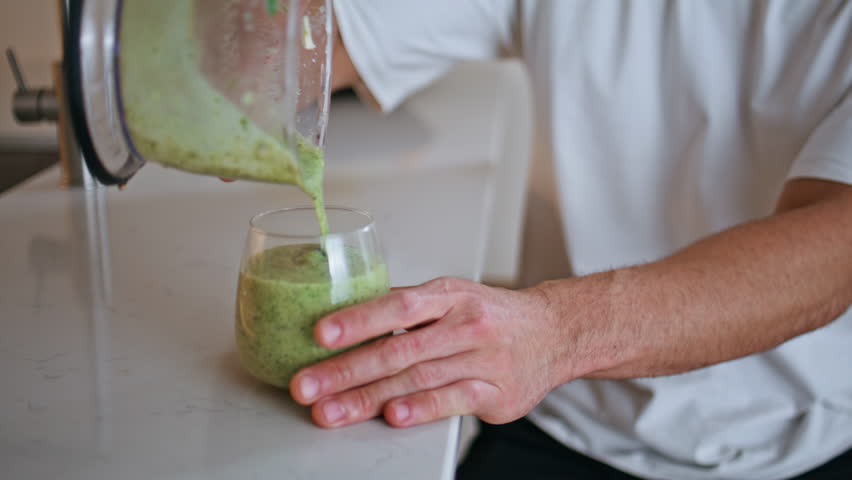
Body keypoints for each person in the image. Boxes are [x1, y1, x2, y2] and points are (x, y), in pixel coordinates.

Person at [288, 1, 852, 479]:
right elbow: (318, 42)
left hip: (797, 436)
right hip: (568, 413)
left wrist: (558, 333)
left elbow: (832, 250)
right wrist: (235, 72)